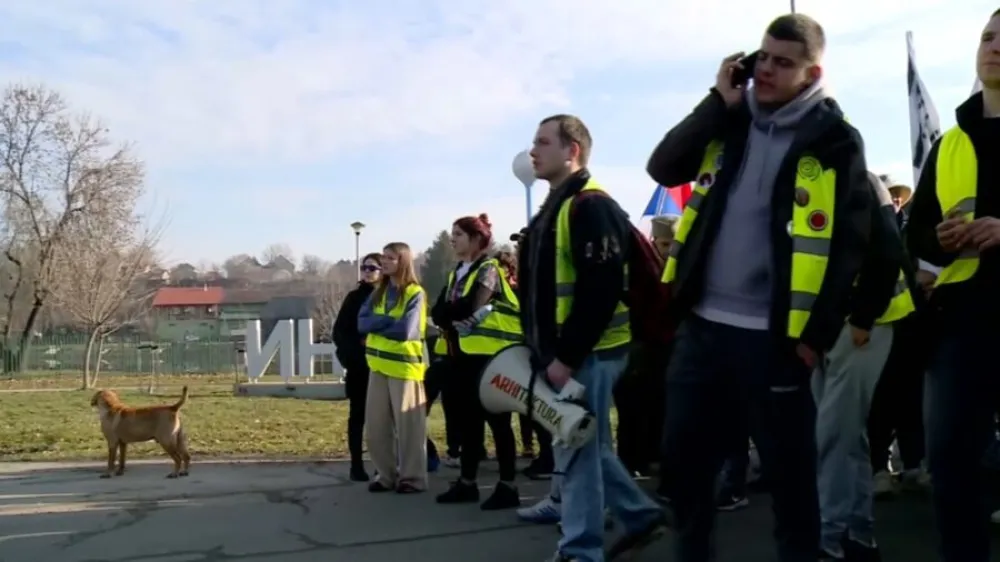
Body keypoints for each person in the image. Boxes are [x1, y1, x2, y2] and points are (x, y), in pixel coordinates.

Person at [647, 14, 872, 562]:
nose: (767, 70)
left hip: (775, 341)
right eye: (762, 57)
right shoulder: (730, 119)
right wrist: (715, 100)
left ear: (811, 71)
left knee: (790, 481)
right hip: (702, 329)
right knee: (684, 470)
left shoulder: (835, 139)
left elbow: (850, 248)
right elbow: (663, 167)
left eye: (783, 63)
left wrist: (813, 340)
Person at [518, 113, 666, 562]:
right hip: (574, 353)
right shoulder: (561, 206)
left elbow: (600, 289)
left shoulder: (589, 205)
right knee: (586, 443)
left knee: (577, 447)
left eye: (543, 142)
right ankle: (640, 517)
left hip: (591, 355)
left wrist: (566, 356)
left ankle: (581, 550)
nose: (533, 151)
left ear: (572, 151)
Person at [905, 9, 1000, 561]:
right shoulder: (949, 144)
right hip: (963, 320)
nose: (994, 47)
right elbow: (916, 234)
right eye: (987, 37)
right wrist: (940, 238)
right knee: (950, 459)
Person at [812, 171, 912, 561]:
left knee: (834, 436)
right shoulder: (816, 177)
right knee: (845, 436)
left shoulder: (855, 179)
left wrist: (862, 318)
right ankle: (855, 533)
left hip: (860, 325)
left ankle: (831, 536)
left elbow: (887, 251)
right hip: (834, 326)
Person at [433, 213, 522, 510]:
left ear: (475, 238)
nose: (452, 238)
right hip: (462, 355)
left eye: (458, 233)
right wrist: (448, 311)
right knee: (468, 421)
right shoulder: (457, 271)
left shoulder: (489, 269)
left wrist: (449, 311)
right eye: (452, 233)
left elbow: (471, 304)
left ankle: (507, 486)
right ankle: (467, 482)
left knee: (498, 421)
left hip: (491, 357)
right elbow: (438, 311)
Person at [358, 242, 429, 494]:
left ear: (403, 261)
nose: (384, 262)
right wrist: (387, 321)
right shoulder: (378, 292)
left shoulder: (414, 293)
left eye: (390, 258)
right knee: (376, 426)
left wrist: (379, 324)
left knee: (409, 427)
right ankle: (385, 474)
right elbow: (362, 322)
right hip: (377, 366)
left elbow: (406, 330)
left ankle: (412, 478)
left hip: (404, 368)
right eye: (384, 257)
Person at [333, 252, 382, 482]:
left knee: (383, 419)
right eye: (364, 267)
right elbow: (340, 332)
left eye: (372, 268)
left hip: (384, 366)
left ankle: (384, 465)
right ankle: (356, 465)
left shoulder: (390, 295)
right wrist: (352, 357)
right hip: (359, 368)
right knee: (358, 417)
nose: (367, 272)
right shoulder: (354, 298)